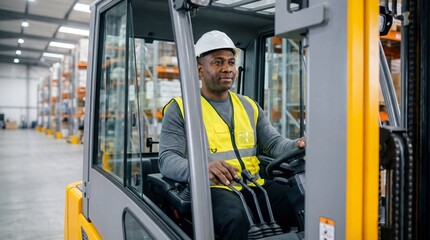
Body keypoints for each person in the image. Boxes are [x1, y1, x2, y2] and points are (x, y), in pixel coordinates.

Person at [159, 30, 306, 239]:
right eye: (218, 62)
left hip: (256, 184)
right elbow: (167, 159)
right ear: (199, 70)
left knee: (301, 199)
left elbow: (273, 144)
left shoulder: (249, 105)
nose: (227, 69)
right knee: (234, 217)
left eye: (230, 62)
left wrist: (298, 144)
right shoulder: (181, 109)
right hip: (214, 189)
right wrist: (202, 170)